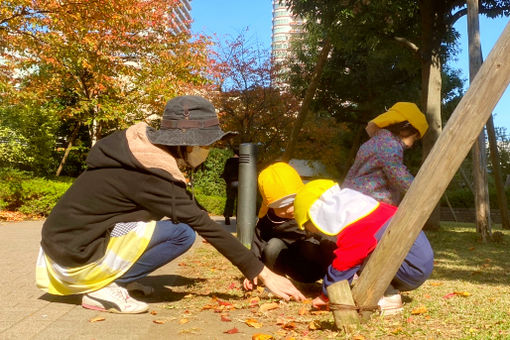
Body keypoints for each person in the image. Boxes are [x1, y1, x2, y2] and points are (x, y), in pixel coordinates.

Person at [36, 95, 305, 314]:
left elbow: (191, 208)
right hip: (75, 257)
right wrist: (263, 273)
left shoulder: (136, 154)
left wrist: (252, 265)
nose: (208, 151)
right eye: (206, 144)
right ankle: (102, 286)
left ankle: (115, 278)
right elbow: (202, 224)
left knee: (166, 226)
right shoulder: (151, 174)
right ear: (187, 144)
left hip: (60, 248)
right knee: (181, 233)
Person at [293, 179, 434, 314]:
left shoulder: (356, 227)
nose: (312, 231)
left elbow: (345, 263)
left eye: (308, 227)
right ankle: (387, 290)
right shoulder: (365, 210)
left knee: (356, 256)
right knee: (361, 251)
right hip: (416, 262)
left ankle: (388, 296)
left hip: (409, 269)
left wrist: (327, 295)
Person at [243, 163, 336, 291]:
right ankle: (277, 282)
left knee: (315, 245)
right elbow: (257, 245)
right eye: (281, 207)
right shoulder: (268, 220)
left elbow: (332, 237)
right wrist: (252, 270)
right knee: (273, 245)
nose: (289, 210)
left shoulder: (312, 211)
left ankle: (333, 282)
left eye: (293, 203)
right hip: (292, 266)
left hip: (318, 263)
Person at [343, 102, 429, 206]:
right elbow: (398, 175)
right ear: (405, 130)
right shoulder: (390, 145)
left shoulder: (370, 143)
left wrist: (344, 194)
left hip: (353, 198)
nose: (411, 145)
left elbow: (353, 171)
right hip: (372, 201)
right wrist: (421, 189)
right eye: (414, 138)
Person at [221, 150, 239, 225]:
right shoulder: (242, 161)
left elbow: (225, 173)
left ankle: (227, 216)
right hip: (240, 183)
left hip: (230, 183)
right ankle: (239, 218)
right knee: (240, 202)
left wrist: (228, 182)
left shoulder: (229, 161)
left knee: (229, 200)